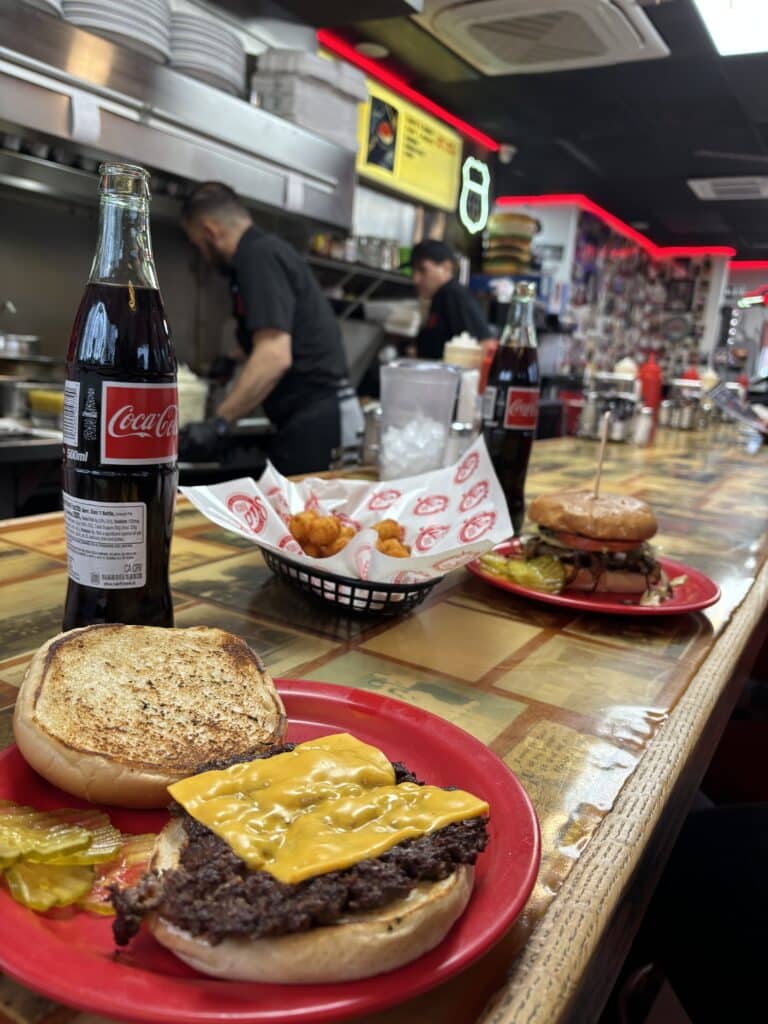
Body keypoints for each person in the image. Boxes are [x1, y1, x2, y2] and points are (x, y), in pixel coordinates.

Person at [179, 181, 361, 475]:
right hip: (315, 417)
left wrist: (219, 423)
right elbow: (281, 332)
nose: (203, 254)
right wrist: (232, 359)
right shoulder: (265, 252)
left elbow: (275, 354)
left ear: (210, 231)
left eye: (199, 244)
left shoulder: (257, 257)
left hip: (320, 422)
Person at [410, 239, 494, 360]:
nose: (415, 279)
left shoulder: (453, 294)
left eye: (422, 270)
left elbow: (485, 344)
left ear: (446, 267)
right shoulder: (440, 296)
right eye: (413, 271)